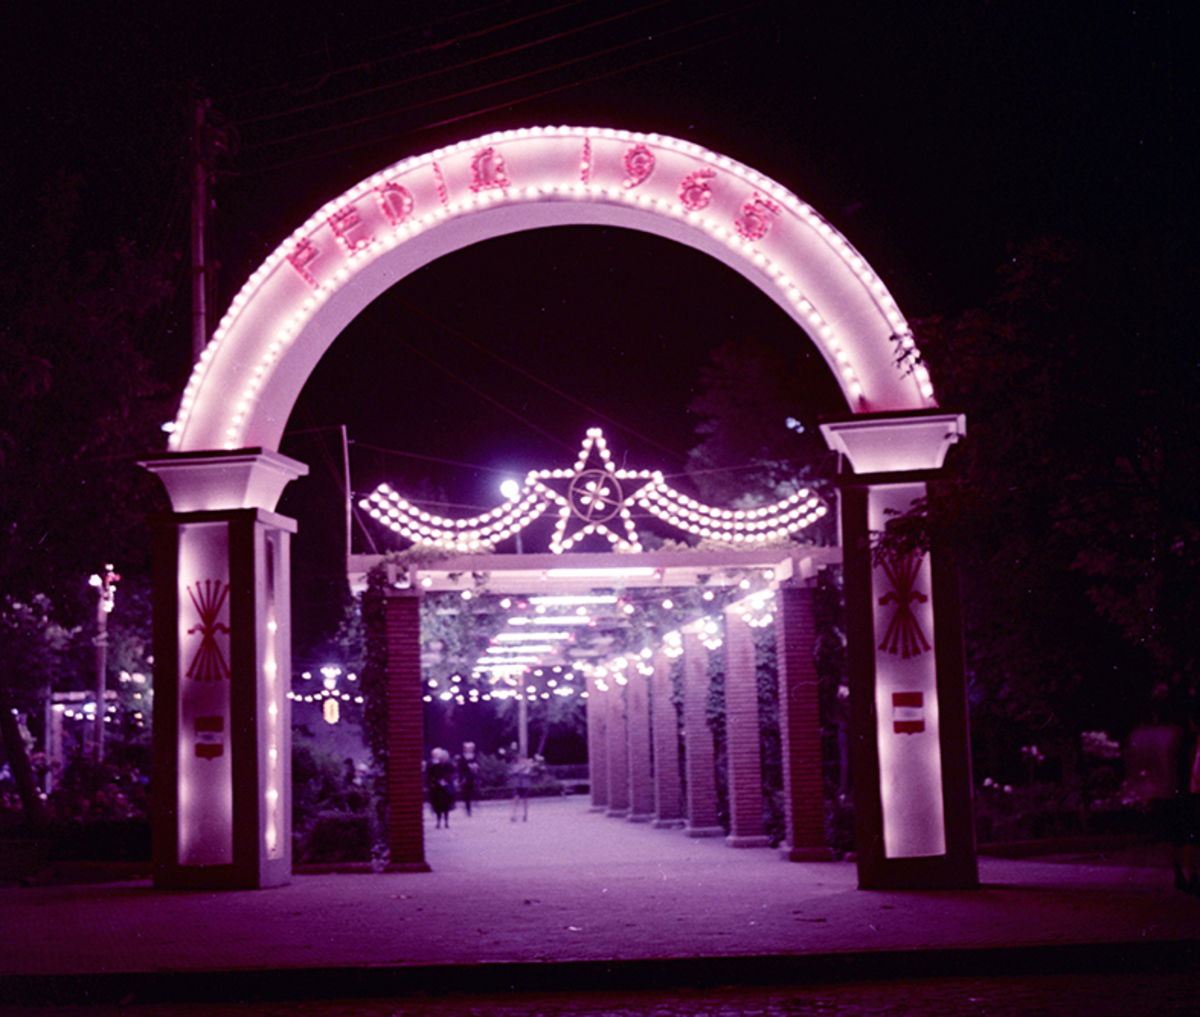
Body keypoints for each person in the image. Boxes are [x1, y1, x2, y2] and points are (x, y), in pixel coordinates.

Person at [427, 747, 456, 829]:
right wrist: (433, 783)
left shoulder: (450, 766)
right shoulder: (434, 767)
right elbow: (430, 777)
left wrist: (448, 779)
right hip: (438, 789)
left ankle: (446, 821)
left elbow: (453, 775)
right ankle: (438, 821)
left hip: (446, 789)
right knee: (438, 806)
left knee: (446, 806)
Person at [456, 741, 480, 817]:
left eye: (471, 748)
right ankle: (468, 808)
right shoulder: (462, 757)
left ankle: (475, 803)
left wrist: (476, 767)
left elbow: (477, 764)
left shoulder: (474, 756)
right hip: (465, 777)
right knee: (466, 794)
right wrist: (462, 777)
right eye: (468, 748)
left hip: (473, 776)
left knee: (475, 791)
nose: (470, 749)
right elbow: (460, 768)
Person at [509, 752, 534, 822]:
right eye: (520, 759)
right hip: (518, 785)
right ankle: (513, 815)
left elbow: (527, 773)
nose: (521, 760)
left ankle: (525, 814)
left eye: (523, 759)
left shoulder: (528, 767)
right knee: (515, 800)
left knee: (525, 801)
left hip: (525, 785)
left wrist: (526, 767)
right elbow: (513, 772)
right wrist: (521, 768)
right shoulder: (515, 766)